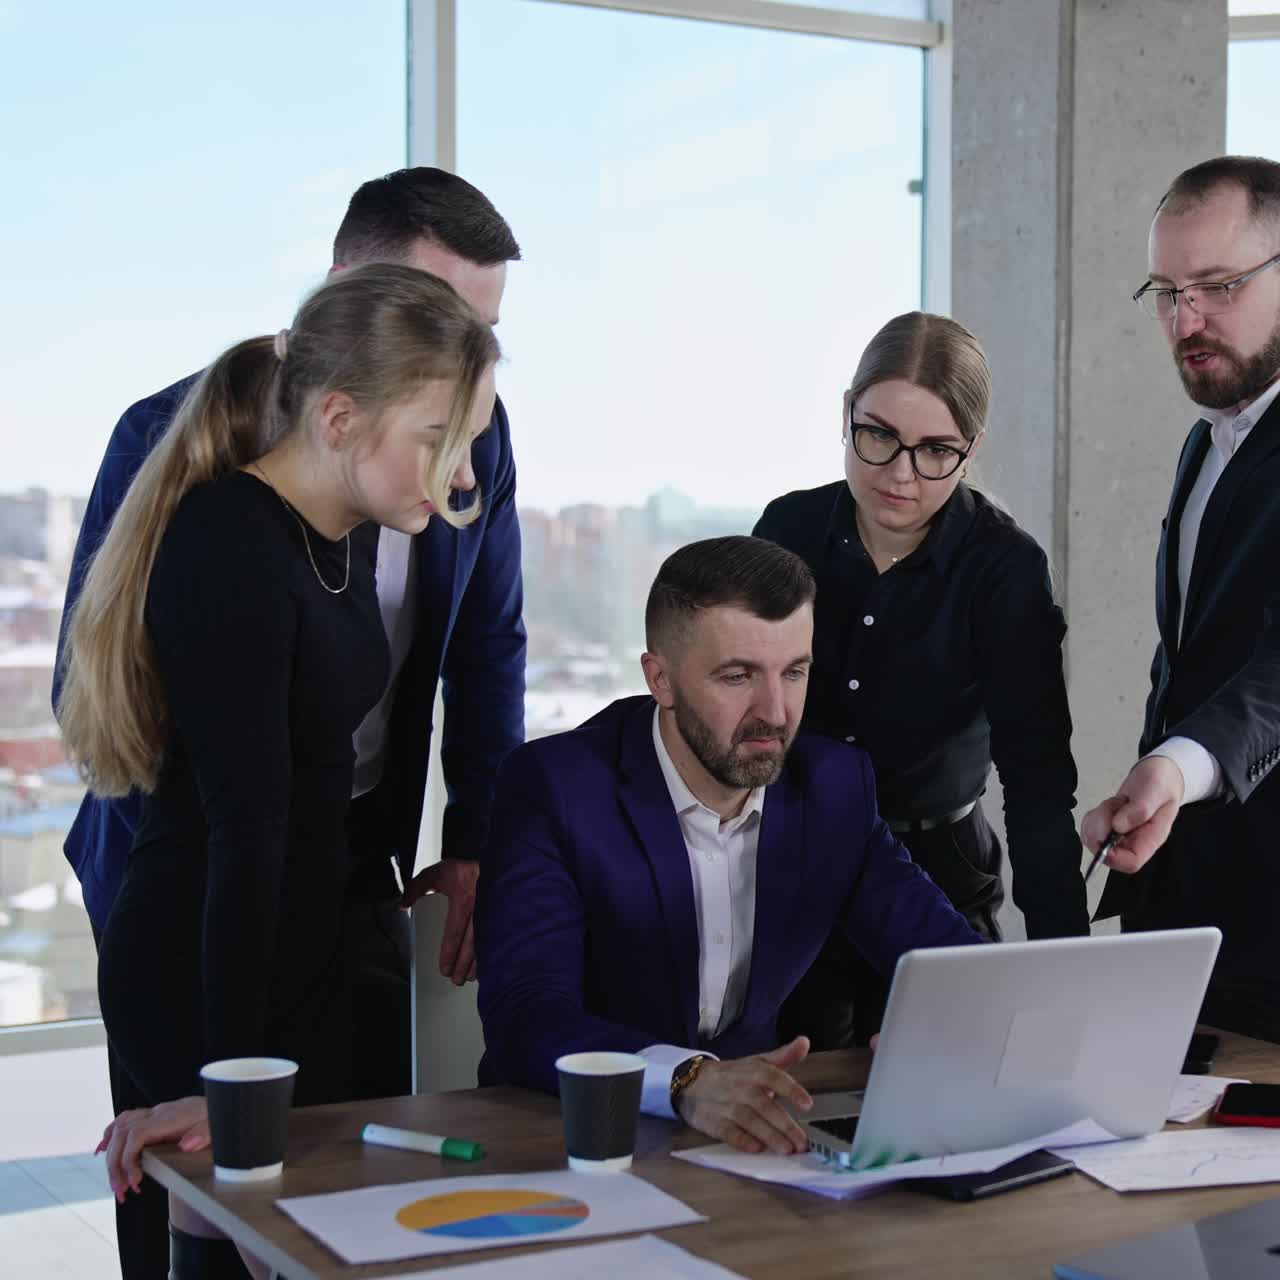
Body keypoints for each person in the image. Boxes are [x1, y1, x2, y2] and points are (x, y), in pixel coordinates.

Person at [53, 168, 524, 1279]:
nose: (462, 462)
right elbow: (200, 778)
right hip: (204, 887)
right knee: (205, 1230)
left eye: (480, 330)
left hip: (333, 881)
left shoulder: (386, 478)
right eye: (432, 315)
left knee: (337, 1219)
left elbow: (484, 645)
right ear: (345, 304)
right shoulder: (217, 482)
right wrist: (229, 1076)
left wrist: (470, 845)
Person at [474, 537, 980, 1154]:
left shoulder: (835, 786)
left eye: (794, 672)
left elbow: (947, 960)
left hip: (746, 1140)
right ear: (660, 678)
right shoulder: (555, 787)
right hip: (568, 1133)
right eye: (737, 676)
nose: (775, 711)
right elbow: (524, 1014)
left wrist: (954, 1025)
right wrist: (687, 1079)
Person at [752, 311, 1089, 1048]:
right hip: (791, 859)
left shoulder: (1004, 570)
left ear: (972, 451)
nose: (901, 475)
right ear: (846, 413)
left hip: (938, 872)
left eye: (936, 450)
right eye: (878, 437)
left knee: (950, 1083)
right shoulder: (788, 530)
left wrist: (1068, 964)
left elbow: (1035, 782)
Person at [1082, 156, 1280, 1040]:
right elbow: (1194, 657)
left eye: (1218, 285)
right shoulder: (1206, 444)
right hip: (1185, 905)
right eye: (1166, 292)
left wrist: (1177, 766)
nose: (1186, 320)